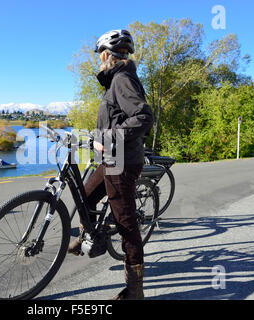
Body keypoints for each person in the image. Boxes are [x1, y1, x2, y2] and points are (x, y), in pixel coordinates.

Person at [67, 29, 154, 300]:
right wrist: (94, 138)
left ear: (107, 55)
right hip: (112, 158)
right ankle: (91, 237)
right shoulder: (118, 79)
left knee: (126, 223)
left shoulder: (122, 79)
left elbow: (143, 117)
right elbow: (115, 119)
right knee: (85, 195)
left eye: (99, 56)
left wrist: (111, 138)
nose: (98, 60)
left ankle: (135, 291)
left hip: (123, 162)